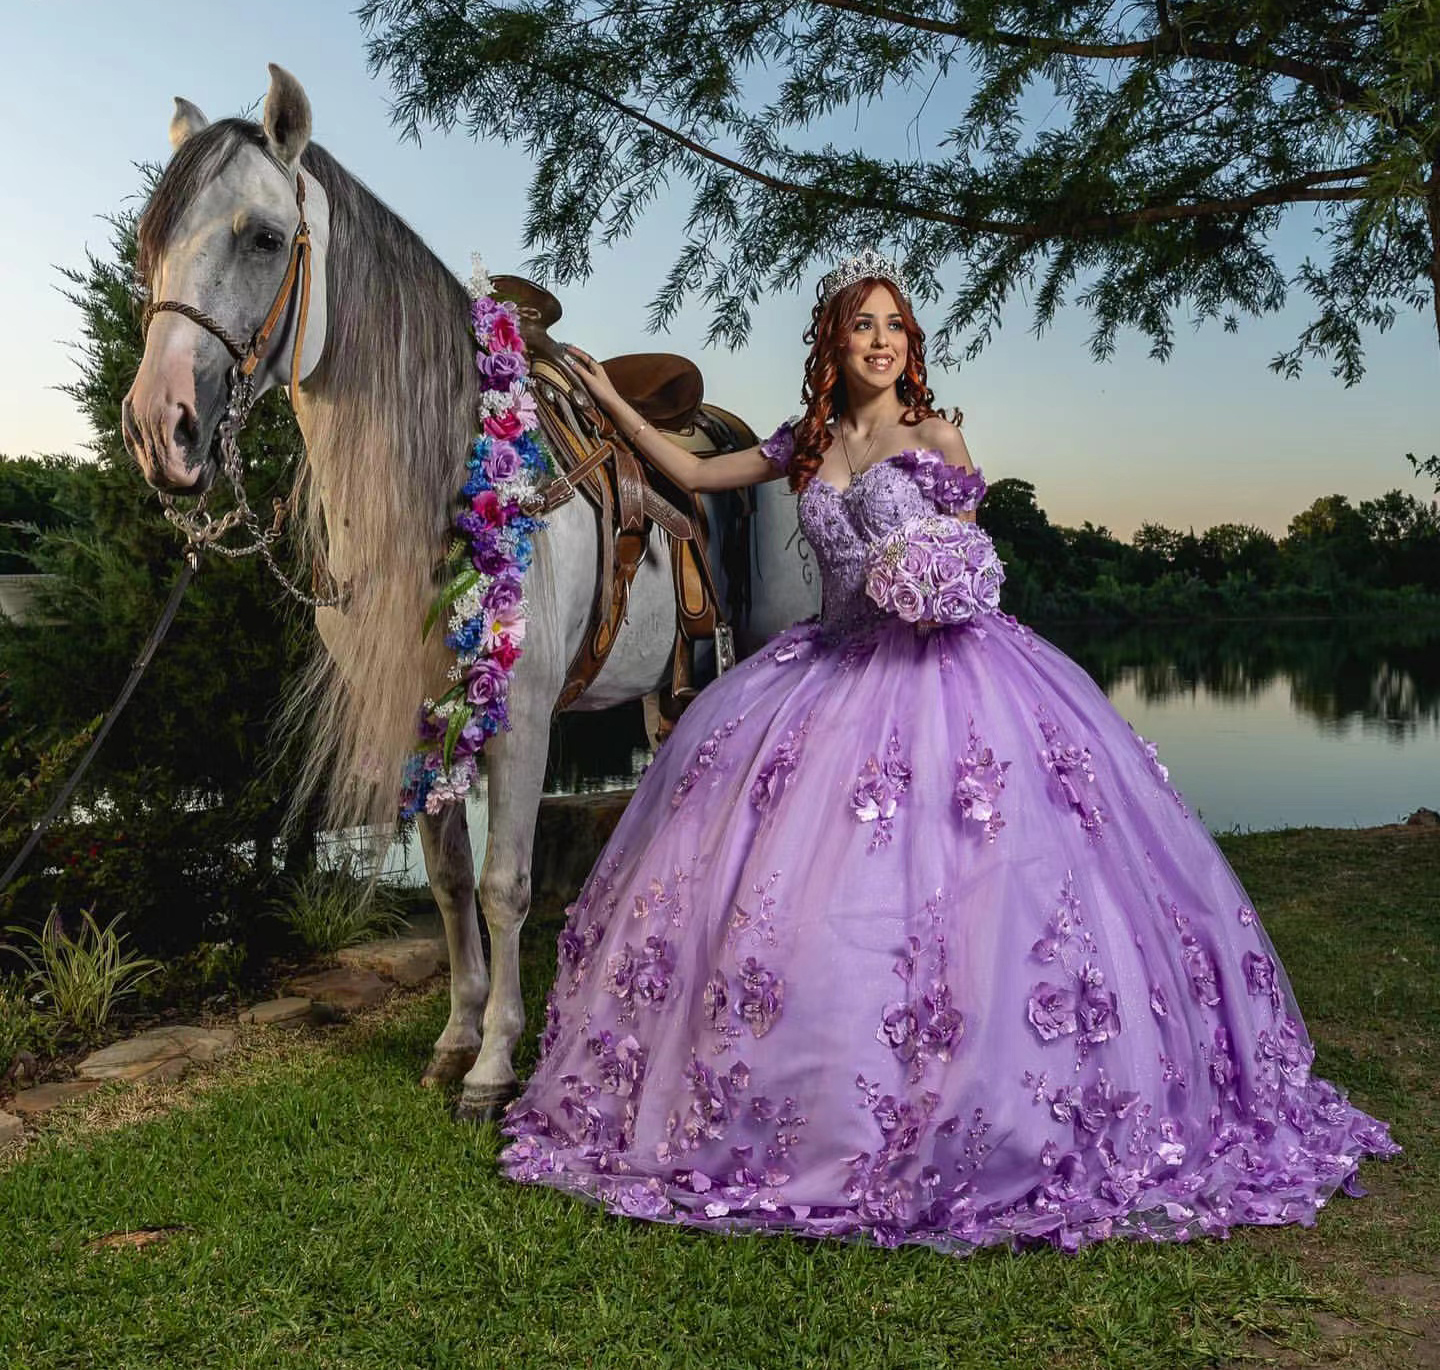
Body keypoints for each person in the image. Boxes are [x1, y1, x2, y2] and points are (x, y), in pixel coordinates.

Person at [499, 251, 1398, 1253]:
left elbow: (971, 560)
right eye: (862, 326)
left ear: (909, 345)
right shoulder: (808, 442)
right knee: (785, 888)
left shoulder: (938, 432)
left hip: (948, 678)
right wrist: (608, 399)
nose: (880, 341)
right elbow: (699, 471)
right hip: (831, 668)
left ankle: (1001, 1104)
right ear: (834, 344)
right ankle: (792, 1102)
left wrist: (936, 577)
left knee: (974, 887)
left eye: (895, 326)